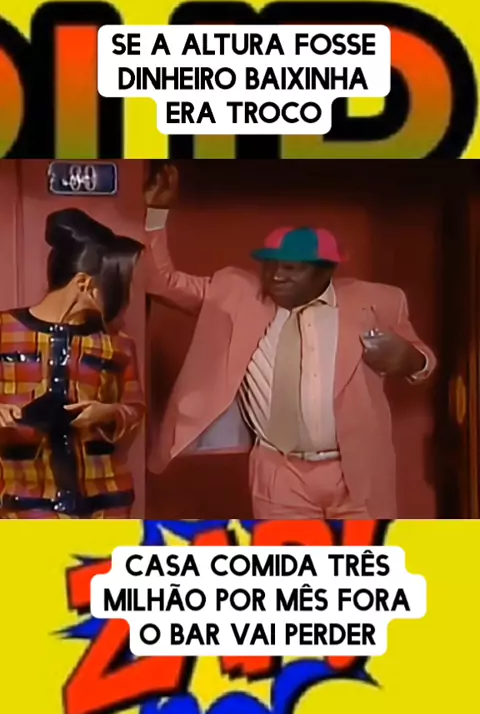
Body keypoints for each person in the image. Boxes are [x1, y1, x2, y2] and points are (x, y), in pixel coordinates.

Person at [144, 165, 436, 519]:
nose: (276, 276)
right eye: (270, 265)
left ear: (325, 271)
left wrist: (408, 359)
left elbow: (423, 359)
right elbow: (159, 282)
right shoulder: (235, 294)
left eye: (292, 268)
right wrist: (156, 213)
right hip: (278, 474)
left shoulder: (378, 301)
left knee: (364, 555)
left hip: (358, 473)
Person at [0, 208, 145, 519]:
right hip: (24, 502)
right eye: (119, 284)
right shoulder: (4, 331)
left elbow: (135, 409)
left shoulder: (119, 344)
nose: (128, 296)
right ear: (84, 284)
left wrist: (108, 413)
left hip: (105, 502)